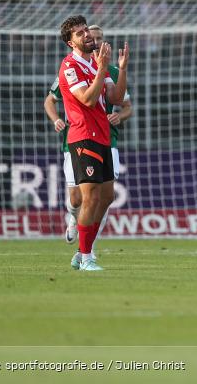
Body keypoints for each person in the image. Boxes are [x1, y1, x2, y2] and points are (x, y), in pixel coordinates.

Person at [45, 25, 132, 258]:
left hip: (104, 136)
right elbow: (88, 100)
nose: (88, 36)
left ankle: (85, 250)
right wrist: (103, 69)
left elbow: (116, 98)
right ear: (71, 42)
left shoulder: (97, 64)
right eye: (81, 33)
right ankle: (85, 255)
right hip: (83, 136)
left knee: (106, 197)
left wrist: (121, 70)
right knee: (85, 198)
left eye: (88, 31)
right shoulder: (70, 67)